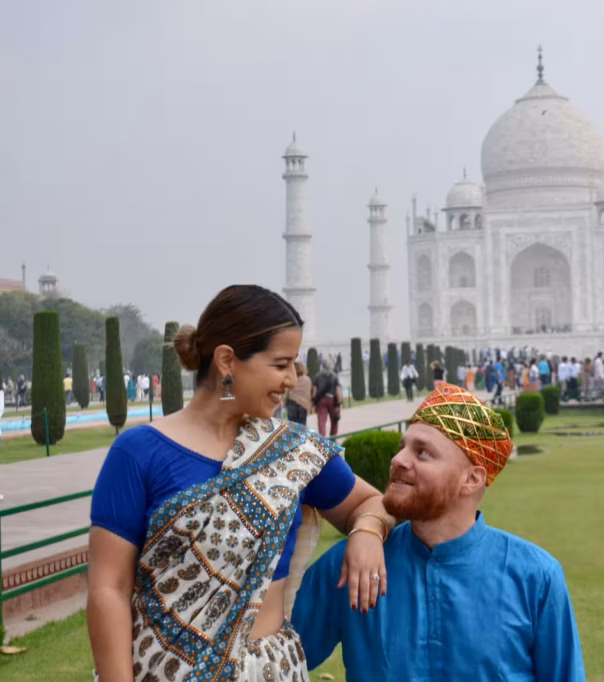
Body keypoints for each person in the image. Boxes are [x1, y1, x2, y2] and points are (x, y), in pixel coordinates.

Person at [87, 284, 395, 682]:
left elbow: (372, 503)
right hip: (162, 668)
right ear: (227, 361)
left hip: (266, 669)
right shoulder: (138, 453)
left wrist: (367, 533)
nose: (291, 379)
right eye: (281, 364)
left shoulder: (290, 451)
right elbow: (109, 588)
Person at [293, 383, 586, 681]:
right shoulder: (352, 565)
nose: (398, 460)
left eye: (422, 453)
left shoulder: (535, 578)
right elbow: (276, 659)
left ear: (472, 479)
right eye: (402, 447)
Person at [313, 370, 341, 437]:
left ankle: (322, 438)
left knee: (321, 421)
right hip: (332, 400)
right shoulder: (334, 376)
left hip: (320, 400)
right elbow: (338, 390)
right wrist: (338, 403)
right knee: (334, 420)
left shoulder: (317, 376)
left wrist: (314, 402)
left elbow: (314, 390)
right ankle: (333, 438)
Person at [286, 361, 314, 426]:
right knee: (302, 425)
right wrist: (310, 405)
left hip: (292, 403)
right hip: (303, 405)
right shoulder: (308, 380)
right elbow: (309, 393)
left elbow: (287, 391)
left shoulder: (291, 379)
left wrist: (284, 403)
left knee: (292, 425)